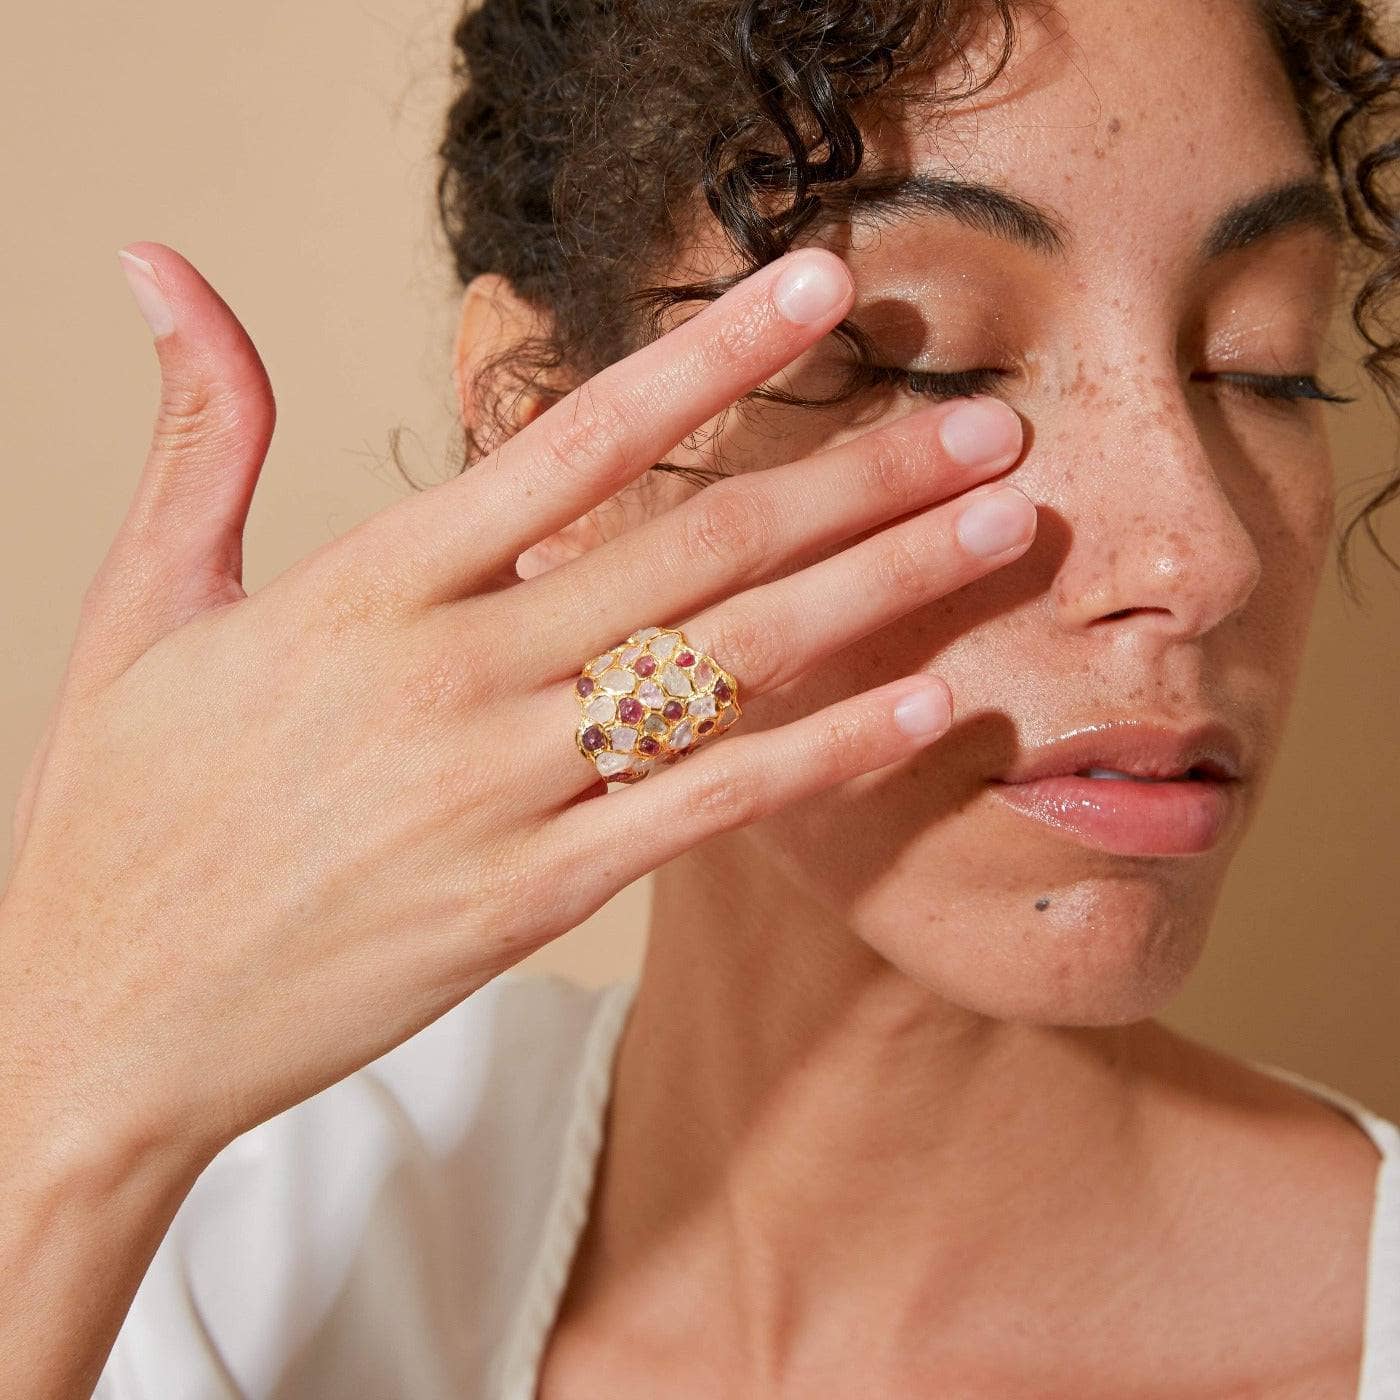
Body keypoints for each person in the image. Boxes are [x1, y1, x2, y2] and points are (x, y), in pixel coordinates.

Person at [2, 0, 1397, 1394]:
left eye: (1261, 369)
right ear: (549, 427)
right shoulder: (243, 1237)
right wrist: (70, 1104)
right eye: (931, 358)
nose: (1200, 553)